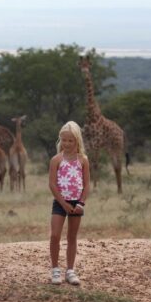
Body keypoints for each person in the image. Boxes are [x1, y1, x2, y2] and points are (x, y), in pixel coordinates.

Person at [48, 121, 90, 285]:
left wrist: (81, 203)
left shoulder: (83, 160)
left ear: (77, 141)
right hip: (60, 202)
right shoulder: (56, 160)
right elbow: (52, 184)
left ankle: (70, 270)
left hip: (76, 203)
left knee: (72, 236)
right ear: (60, 140)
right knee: (54, 235)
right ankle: (55, 270)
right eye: (64, 140)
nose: (66, 144)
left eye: (70, 141)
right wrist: (63, 204)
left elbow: (86, 185)